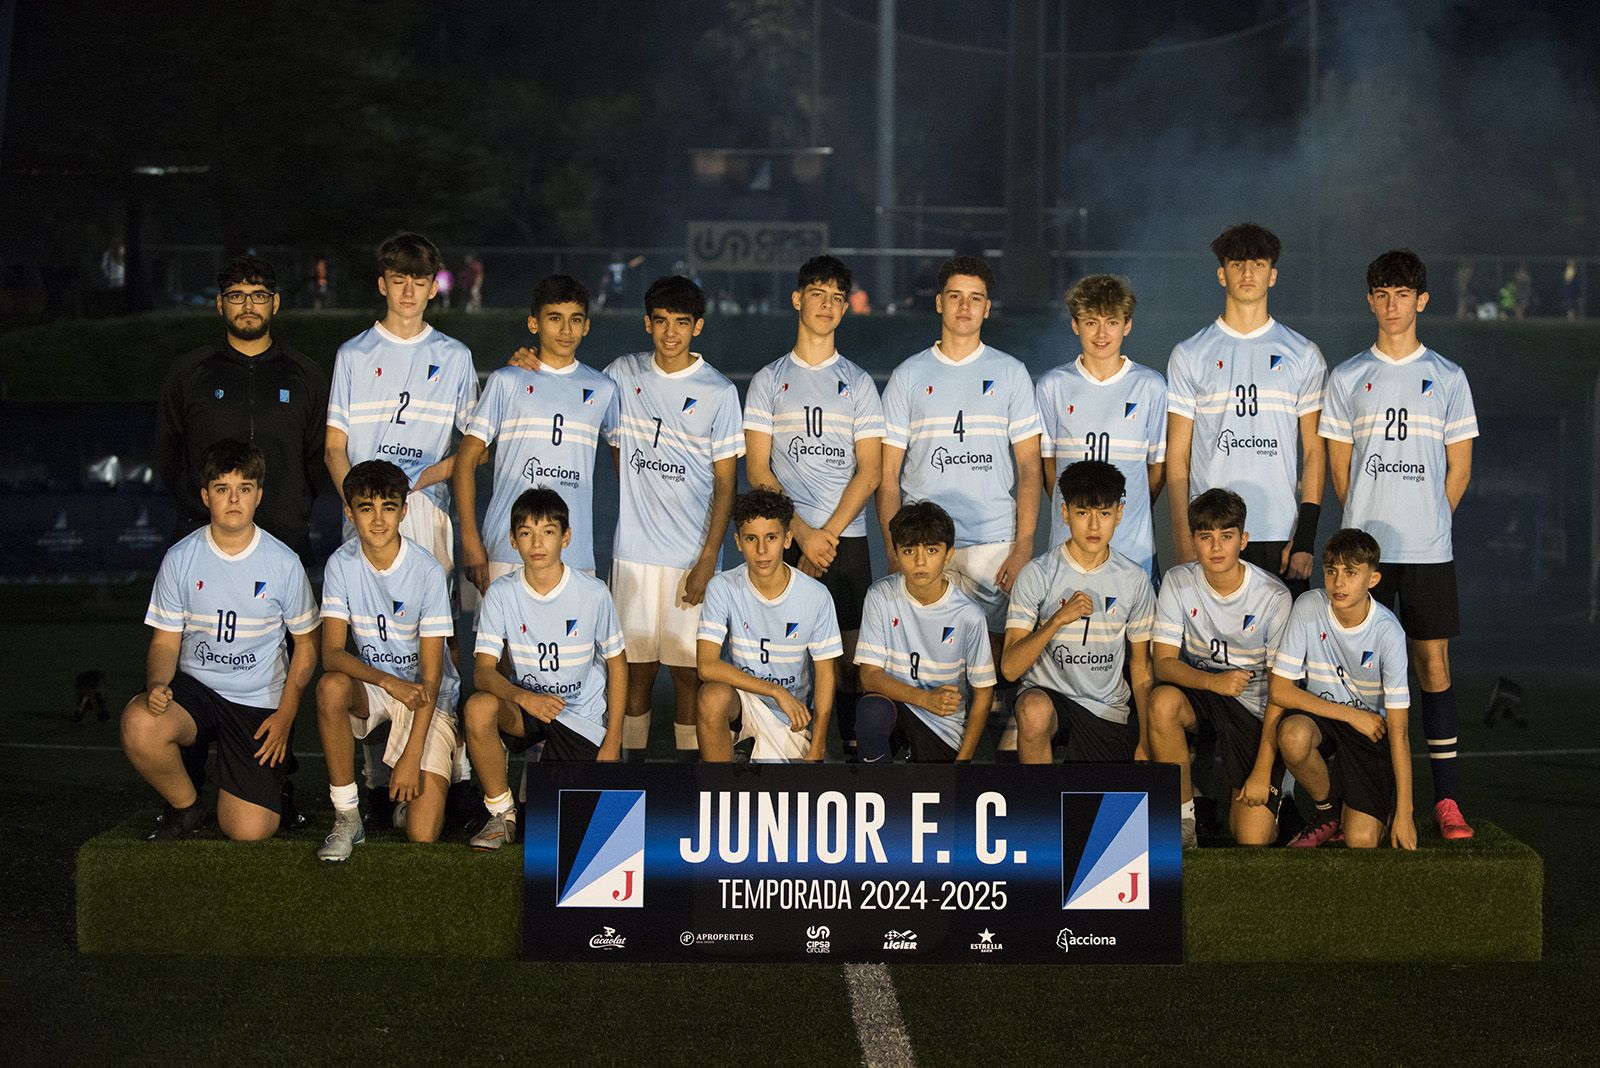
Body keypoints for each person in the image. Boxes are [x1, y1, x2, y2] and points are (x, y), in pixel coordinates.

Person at [1319, 248, 1478, 840]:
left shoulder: (1450, 377)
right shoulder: (1346, 376)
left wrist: (1427, 519)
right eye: (1381, 295)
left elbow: (1456, 471)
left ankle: (1447, 802)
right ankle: (1359, 800)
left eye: (1402, 295)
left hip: (1429, 552)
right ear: (1370, 300)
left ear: (1422, 300)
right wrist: (1366, 530)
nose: (1392, 306)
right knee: (1355, 677)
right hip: (1366, 561)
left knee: (1431, 667)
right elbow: (1342, 471)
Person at [324, 232, 477, 799]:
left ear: (432, 289)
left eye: (420, 280)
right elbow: (334, 446)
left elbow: (472, 445)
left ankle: (446, 766)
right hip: (365, 515)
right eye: (399, 279)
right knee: (369, 642)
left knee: (439, 644)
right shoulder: (354, 354)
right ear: (381, 283)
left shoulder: (454, 356)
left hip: (428, 514)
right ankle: (372, 773)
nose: (408, 290)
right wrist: (362, 505)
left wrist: (416, 483)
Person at [120, 440, 319, 841]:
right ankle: (187, 807)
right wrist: (159, 683)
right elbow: (164, 643)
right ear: (205, 495)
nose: (233, 499)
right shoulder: (181, 558)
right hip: (197, 692)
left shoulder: (283, 562)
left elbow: (308, 648)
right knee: (140, 723)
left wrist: (285, 715)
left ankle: (263, 784)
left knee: (249, 831)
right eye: (222, 488)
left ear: (258, 496)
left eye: (244, 488)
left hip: (257, 700)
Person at [743, 255, 884, 759]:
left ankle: (849, 761)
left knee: (847, 660)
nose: (827, 305)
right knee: (783, 650)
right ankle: (779, 749)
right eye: (817, 294)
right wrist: (801, 533)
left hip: (845, 541)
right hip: (783, 541)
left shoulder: (859, 381)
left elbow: (870, 469)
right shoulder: (768, 379)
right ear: (797, 299)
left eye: (837, 298)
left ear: (845, 309)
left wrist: (828, 535)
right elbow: (758, 468)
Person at [607, 276, 743, 760]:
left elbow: (727, 483)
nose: (670, 333)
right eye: (661, 322)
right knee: (635, 670)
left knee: (690, 673)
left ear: (697, 327)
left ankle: (686, 783)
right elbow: (575, 394)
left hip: (691, 558)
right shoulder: (622, 374)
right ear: (647, 323)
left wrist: (709, 557)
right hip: (634, 556)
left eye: (681, 323)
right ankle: (633, 775)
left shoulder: (719, 391)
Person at [878, 256, 1043, 643]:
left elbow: (1031, 470)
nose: (965, 307)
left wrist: (1023, 547)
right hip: (925, 546)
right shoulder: (908, 376)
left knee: (997, 666)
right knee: (931, 661)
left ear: (987, 307)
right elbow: (887, 479)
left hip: (995, 545)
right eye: (955, 296)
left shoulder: (1011, 373)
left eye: (975, 298)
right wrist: (893, 550)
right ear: (939, 302)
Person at [1166, 223, 1326, 598]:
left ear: (1273, 275)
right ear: (1222, 274)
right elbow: (1177, 455)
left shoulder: (1303, 354)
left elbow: (1315, 452)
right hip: (1211, 534)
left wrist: (1304, 537)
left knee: (1284, 655)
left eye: (1257, 263)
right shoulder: (1190, 354)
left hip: (1278, 534)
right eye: (1237, 264)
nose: (1248, 273)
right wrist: (1183, 537)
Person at [462, 489, 627, 849]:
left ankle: (535, 796)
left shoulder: (593, 592)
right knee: (478, 707)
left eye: (548, 531)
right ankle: (501, 814)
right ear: (512, 539)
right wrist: (526, 698)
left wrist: (613, 738)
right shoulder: (501, 594)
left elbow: (618, 663)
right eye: (526, 532)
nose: (537, 542)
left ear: (566, 537)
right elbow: (483, 673)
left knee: (552, 835)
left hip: (579, 715)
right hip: (526, 708)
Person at [314, 461, 460, 859]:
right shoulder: (340, 564)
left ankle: (445, 758)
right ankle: (347, 816)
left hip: (427, 699)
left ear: (404, 510)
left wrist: (412, 757)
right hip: (382, 688)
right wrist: (387, 682)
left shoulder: (427, 571)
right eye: (366, 508)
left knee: (422, 834)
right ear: (349, 512)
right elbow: (331, 654)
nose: (378, 520)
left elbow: (430, 678)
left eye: (388, 507)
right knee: (331, 688)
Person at [1145, 489, 1292, 847]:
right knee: (1162, 702)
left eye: (1226, 537)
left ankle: (1281, 794)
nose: (1216, 547)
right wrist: (1215, 683)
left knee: (1253, 837)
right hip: (1207, 697)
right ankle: (1184, 820)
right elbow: (1163, 663)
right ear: (1193, 540)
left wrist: (1261, 771)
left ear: (1243, 540)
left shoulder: (1273, 597)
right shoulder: (1178, 583)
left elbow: (1281, 693)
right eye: (1206, 537)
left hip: (1256, 714)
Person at [456, 275, 619, 596]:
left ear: (586, 326)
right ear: (534, 323)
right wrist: (472, 541)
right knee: (501, 647)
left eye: (575, 320)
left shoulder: (604, 388)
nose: (566, 330)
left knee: (571, 645)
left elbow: (626, 460)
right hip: (507, 546)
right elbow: (465, 460)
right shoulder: (506, 380)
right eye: (555, 319)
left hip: (574, 549)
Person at [155, 255, 329, 556]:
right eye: (237, 295)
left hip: (284, 539)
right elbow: (168, 453)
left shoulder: (305, 374)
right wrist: (199, 508)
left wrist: (289, 508)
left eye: (259, 295)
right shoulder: (190, 372)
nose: (248, 306)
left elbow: (318, 458)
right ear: (220, 304)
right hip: (204, 540)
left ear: (274, 303)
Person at [1001, 460, 1156, 765]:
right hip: (1049, 697)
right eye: (1083, 513)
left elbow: (1141, 666)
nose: (1094, 526)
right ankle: (1040, 809)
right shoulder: (1037, 574)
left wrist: (1146, 739)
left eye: (1104, 514)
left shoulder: (1134, 578)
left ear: (1119, 515)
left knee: (1099, 811)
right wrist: (1057, 619)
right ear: (1065, 513)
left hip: (1106, 708)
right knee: (1033, 711)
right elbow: (1009, 668)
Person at [1269, 529, 1416, 850]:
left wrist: (1407, 812)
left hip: (1369, 734)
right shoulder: (1309, 606)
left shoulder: (1388, 632)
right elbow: (1280, 691)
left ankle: (1380, 811)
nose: (1338, 582)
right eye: (1332, 571)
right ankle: (1329, 812)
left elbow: (1400, 731)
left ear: (1372, 579)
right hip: (1327, 720)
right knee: (1293, 735)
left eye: (1351, 573)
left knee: (1360, 841)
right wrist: (1351, 714)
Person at [1034, 274, 1166, 576]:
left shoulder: (1150, 386)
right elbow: (1047, 467)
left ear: (1127, 325)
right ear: (1075, 324)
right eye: (1091, 322)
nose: (1102, 333)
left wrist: (1125, 510)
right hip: (1069, 546)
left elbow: (1157, 470)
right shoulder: (1053, 385)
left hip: (1134, 548)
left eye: (1112, 322)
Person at [696, 490, 843, 762]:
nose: (762, 550)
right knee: (711, 697)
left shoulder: (816, 595)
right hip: (744, 702)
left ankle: (755, 753)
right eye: (752, 538)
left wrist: (817, 748)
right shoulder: (723, 587)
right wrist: (775, 690)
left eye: (771, 537)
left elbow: (825, 676)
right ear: (739, 542)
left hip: (790, 717)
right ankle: (720, 789)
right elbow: (706, 665)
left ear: (787, 539)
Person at [853, 501, 997, 763]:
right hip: (898, 706)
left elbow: (984, 693)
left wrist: (961, 764)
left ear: (948, 553)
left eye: (932, 550)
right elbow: (869, 677)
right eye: (909, 551)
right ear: (895, 552)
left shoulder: (968, 614)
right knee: (871, 712)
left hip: (942, 726)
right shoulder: (880, 596)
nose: (920, 562)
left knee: (935, 789)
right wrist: (924, 698)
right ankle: (875, 792)